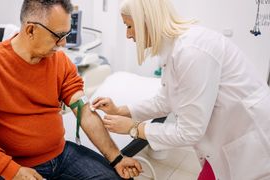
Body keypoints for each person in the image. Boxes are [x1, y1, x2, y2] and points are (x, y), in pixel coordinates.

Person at [0, 0, 142, 179]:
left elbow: (84, 110)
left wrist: (117, 158)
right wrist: (10, 170)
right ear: (31, 30)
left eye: (66, 35)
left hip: (62, 155)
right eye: (58, 36)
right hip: (16, 165)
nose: (63, 44)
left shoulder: (60, 62)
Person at [91, 0, 270, 179]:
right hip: (223, 141)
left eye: (130, 26)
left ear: (147, 21)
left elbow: (189, 132)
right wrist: (120, 111)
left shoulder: (191, 51)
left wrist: (135, 128)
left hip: (250, 139)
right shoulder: (174, 48)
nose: (128, 34)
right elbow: (166, 100)